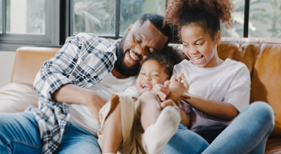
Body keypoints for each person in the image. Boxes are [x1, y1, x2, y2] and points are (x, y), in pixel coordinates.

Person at [0, 13, 172, 154]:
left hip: (86, 137)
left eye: (150, 50)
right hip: (45, 120)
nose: (139, 51)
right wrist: (89, 97)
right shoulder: (87, 44)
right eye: (138, 39)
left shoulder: (146, 81)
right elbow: (44, 77)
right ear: (128, 30)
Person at [159, 0, 275, 153]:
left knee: (262, 110)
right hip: (195, 141)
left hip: (235, 140)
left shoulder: (236, 70)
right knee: (165, 128)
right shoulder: (181, 69)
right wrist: (171, 102)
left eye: (198, 43)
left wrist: (186, 95)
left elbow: (230, 112)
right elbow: (186, 121)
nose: (192, 51)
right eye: (185, 44)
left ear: (217, 37)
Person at [98, 46, 190, 154]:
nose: (146, 78)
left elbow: (186, 122)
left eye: (155, 75)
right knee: (119, 100)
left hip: (147, 147)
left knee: (149, 97)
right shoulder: (132, 90)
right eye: (142, 73)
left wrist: (170, 99)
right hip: (121, 141)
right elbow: (128, 107)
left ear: (168, 81)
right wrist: (152, 95)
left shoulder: (172, 97)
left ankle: (154, 136)